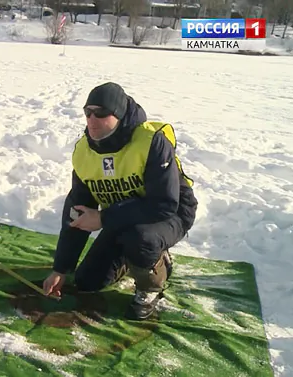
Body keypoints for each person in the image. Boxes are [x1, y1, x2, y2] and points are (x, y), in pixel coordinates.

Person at [43, 82, 198, 320]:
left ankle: (151, 284)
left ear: (119, 114)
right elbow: (78, 211)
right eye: (88, 112)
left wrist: (104, 218)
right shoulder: (84, 152)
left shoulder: (151, 142)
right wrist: (61, 268)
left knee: (141, 238)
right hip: (122, 216)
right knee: (87, 281)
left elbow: (165, 204)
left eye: (101, 113)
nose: (92, 119)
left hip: (171, 214)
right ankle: (132, 257)